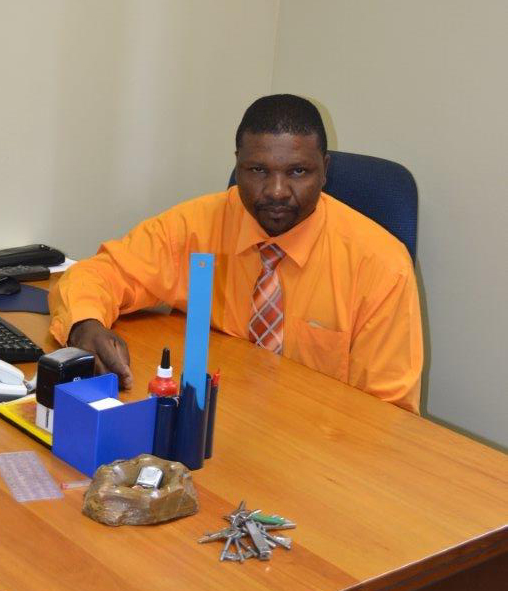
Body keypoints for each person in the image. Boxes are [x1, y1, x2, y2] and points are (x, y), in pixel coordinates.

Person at [49, 94, 423, 413]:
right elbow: (97, 274)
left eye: (297, 171)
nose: (276, 190)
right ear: (237, 165)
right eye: (258, 169)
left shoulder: (382, 266)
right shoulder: (198, 225)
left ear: (324, 171)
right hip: (215, 425)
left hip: (316, 454)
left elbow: (386, 419)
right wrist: (85, 324)